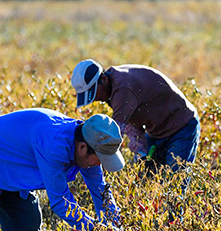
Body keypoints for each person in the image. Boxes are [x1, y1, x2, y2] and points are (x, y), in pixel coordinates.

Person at [70, 59, 200, 174]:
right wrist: (141, 154)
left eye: (94, 94)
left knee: (175, 182)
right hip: (157, 132)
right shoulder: (113, 87)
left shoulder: (123, 89)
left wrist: (95, 158)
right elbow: (132, 124)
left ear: (103, 80)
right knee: (151, 179)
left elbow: (113, 134)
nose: (96, 100)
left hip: (182, 128)